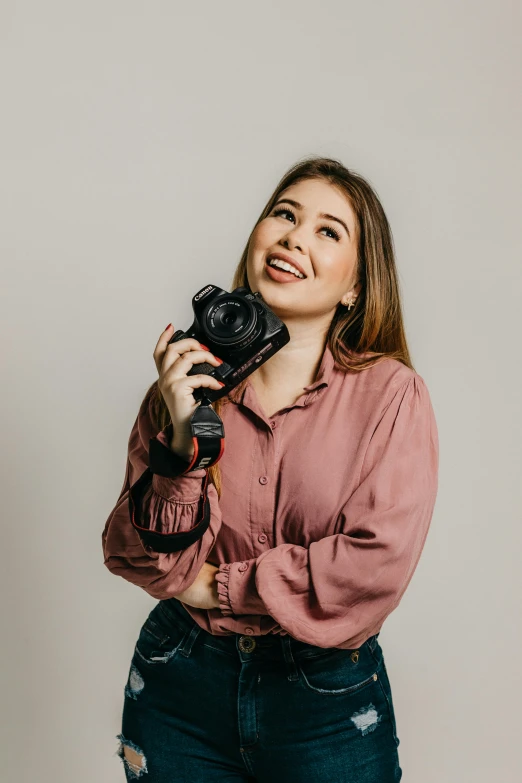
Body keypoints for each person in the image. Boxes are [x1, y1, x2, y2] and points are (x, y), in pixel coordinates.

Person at [102, 156, 439, 782]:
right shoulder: (186, 387)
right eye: (283, 214)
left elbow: (375, 564)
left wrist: (218, 587)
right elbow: (138, 556)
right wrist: (181, 440)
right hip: (179, 682)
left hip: (325, 700)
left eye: (327, 231)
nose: (293, 237)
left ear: (356, 288)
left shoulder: (391, 396)